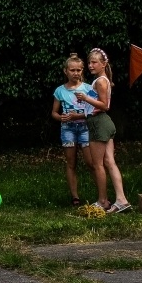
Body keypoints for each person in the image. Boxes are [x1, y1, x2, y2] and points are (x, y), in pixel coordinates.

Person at [76, 48, 132, 213]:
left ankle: (103, 201)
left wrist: (86, 98)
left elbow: (105, 105)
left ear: (103, 64)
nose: (91, 65)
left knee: (98, 164)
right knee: (109, 162)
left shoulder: (100, 81)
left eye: (94, 62)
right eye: (89, 62)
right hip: (104, 123)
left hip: (98, 124)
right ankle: (121, 200)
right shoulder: (103, 80)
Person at [51, 53, 94, 206]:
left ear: (82, 71)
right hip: (67, 129)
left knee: (91, 162)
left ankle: (101, 193)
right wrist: (59, 117)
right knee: (71, 163)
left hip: (85, 129)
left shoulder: (88, 88)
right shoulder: (60, 90)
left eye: (78, 70)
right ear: (66, 71)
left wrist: (78, 116)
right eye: (72, 70)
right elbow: (54, 112)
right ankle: (75, 197)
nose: (76, 73)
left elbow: (94, 111)